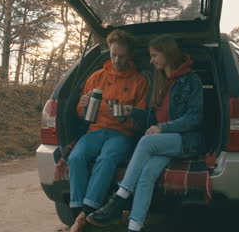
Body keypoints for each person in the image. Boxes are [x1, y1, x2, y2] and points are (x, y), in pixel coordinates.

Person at [86, 34, 204, 232]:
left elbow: (194, 118)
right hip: (163, 142)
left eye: (154, 55)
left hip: (185, 140)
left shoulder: (191, 80)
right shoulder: (159, 81)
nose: (151, 60)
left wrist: (163, 128)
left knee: (146, 142)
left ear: (167, 54)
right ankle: (134, 227)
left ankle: (119, 198)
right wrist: (132, 112)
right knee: (147, 174)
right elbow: (152, 119)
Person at [68, 29, 149, 232]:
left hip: (122, 134)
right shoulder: (96, 77)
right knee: (75, 157)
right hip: (95, 131)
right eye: (113, 55)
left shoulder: (140, 81)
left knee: (106, 160)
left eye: (122, 56)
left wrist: (126, 117)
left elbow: (142, 121)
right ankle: (77, 211)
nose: (117, 60)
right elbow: (81, 113)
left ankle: (86, 213)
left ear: (130, 55)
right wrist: (83, 104)